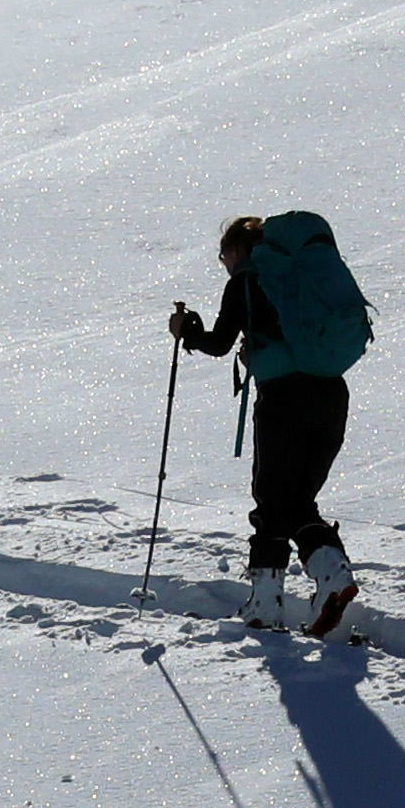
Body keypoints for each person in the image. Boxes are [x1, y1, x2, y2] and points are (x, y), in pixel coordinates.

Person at [167, 210, 374, 636]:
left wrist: (186, 331)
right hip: (331, 393)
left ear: (240, 249)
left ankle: (266, 605)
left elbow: (220, 343)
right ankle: (332, 575)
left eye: (224, 253)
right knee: (298, 501)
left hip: (283, 399)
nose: (224, 262)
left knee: (271, 499)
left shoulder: (246, 280)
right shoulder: (299, 279)